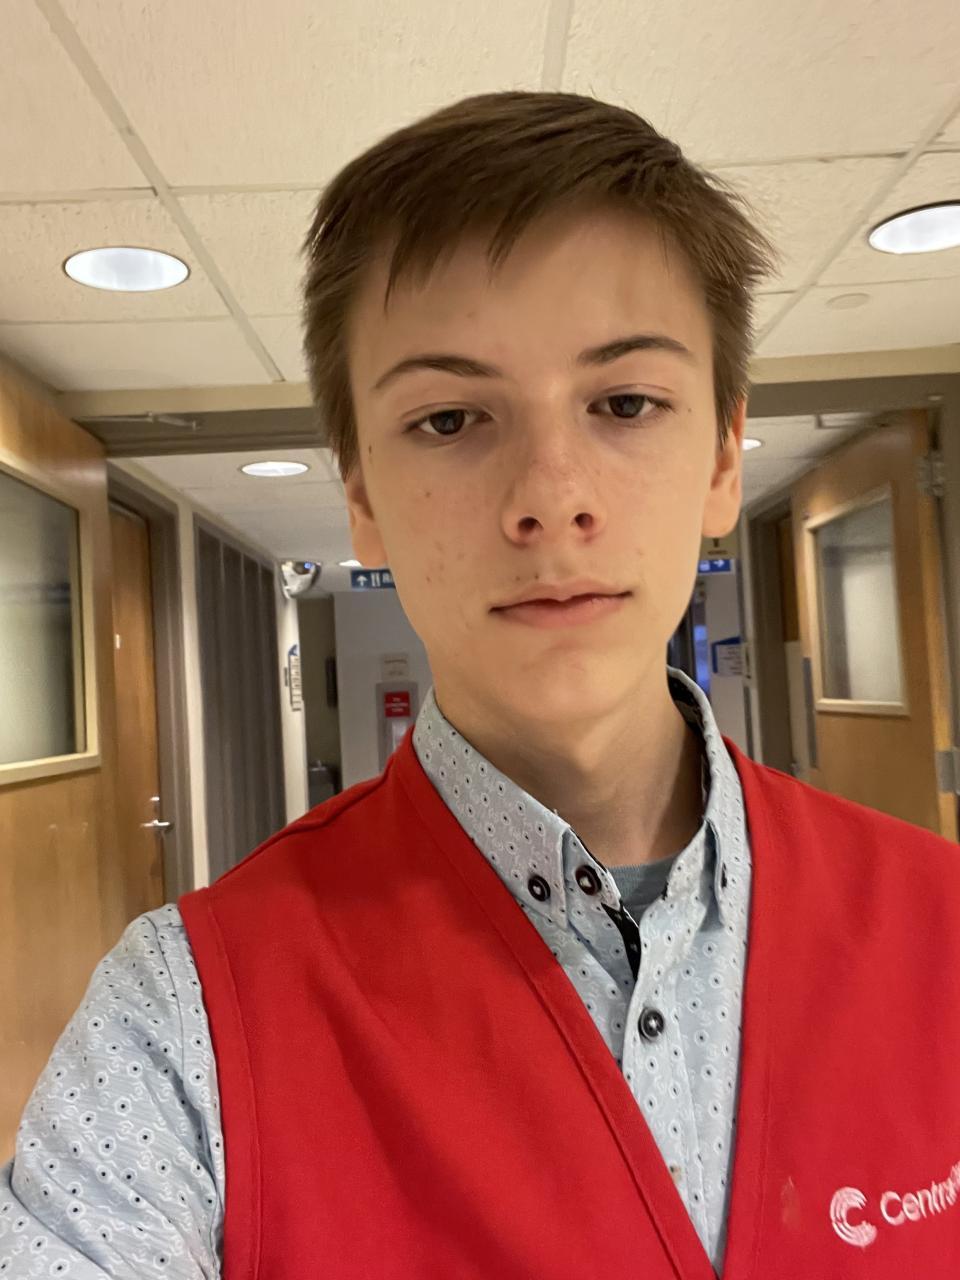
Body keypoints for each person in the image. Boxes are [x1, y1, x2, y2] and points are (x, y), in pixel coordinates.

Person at [3, 90, 960, 1280]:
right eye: (451, 417)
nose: (551, 496)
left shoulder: (941, 925)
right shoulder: (187, 1018)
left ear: (723, 456)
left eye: (625, 403)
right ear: (362, 496)